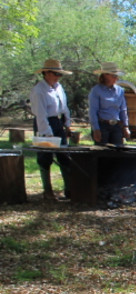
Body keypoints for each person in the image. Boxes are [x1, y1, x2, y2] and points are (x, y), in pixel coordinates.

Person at [30, 58, 73, 201]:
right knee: (45, 157)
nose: (58, 77)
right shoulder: (39, 90)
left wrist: (67, 123)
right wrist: (47, 133)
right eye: (55, 74)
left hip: (57, 122)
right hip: (44, 123)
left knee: (64, 156)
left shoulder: (58, 87)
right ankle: (48, 191)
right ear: (46, 73)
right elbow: (40, 114)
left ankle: (69, 189)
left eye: (59, 75)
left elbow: (64, 107)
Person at [89, 62, 130, 146]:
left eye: (117, 76)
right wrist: (96, 129)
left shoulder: (120, 90)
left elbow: (123, 109)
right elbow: (93, 111)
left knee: (118, 152)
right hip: (102, 126)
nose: (117, 78)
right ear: (105, 75)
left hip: (116, 126)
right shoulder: (96, 90)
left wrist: (126, 127)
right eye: (114, 76)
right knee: (102, 153)